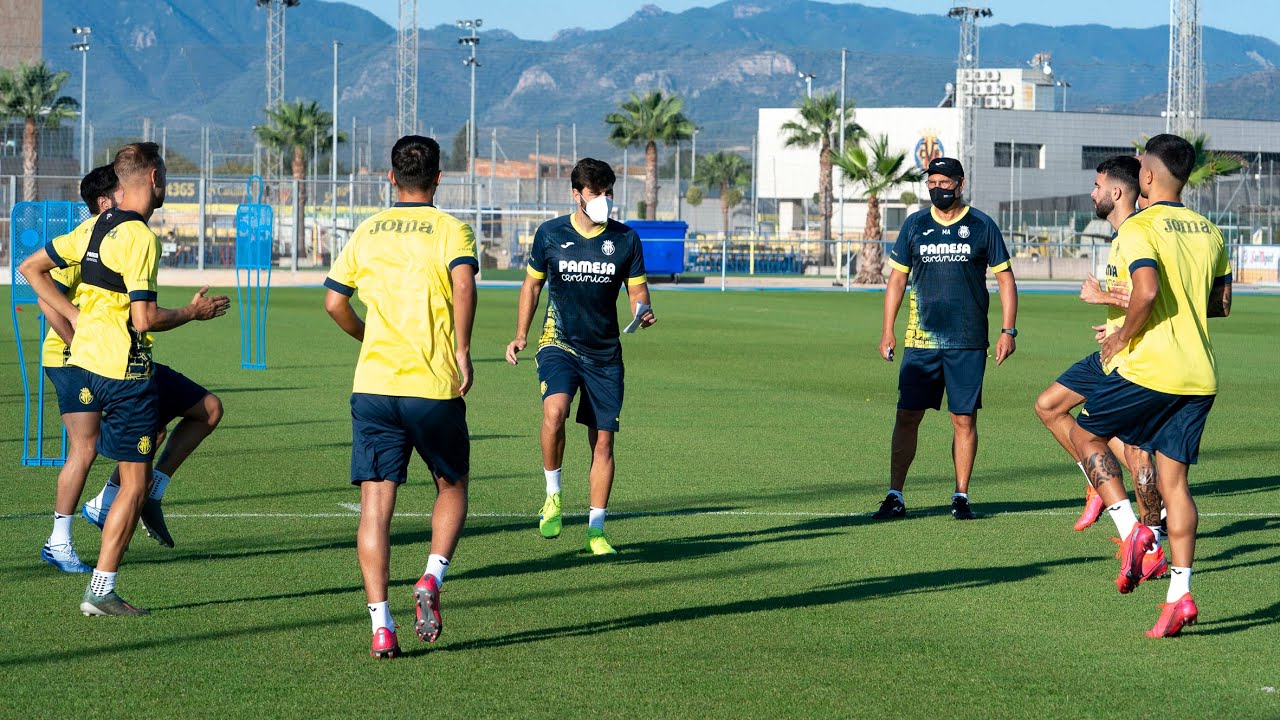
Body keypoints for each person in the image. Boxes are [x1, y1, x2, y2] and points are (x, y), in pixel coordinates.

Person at [21, 142, 227, 616]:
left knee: (201, 409)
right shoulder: (140, 238)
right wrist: (193, 312)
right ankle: (100, 588)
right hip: (125, 374)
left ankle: (114, 509)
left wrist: (76, 317)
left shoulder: (95, 225)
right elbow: (144, 319)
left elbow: (31, 267)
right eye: (167, 175)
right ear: (153, 179)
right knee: (134, 484)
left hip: (85, 366)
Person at [1069, 133, 1232, 637]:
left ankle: (1131, 528)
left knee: (1083, 431)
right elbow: (1220, 305)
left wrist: (1120, 335)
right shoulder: (1210, 230)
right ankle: (1180, 595)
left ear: (1147, 175)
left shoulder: (1140, 226)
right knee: (1175, 484)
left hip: (1152, 371)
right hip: (1199, 375)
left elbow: (1147, 290)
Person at [324, 135, 478, 659]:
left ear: (391, 178)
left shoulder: (367, 230)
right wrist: (462, 350)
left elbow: (332, 302)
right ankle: (431, 578)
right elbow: (464, 285)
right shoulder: (451, 228)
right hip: (431, 386)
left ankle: (381, 626)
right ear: (439, 178)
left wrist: (366, 336)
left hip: (373, 387)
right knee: (451, 485)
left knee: (374, 510)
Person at [504, 158, 655, 555]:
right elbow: (532, 287)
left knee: (603, 442)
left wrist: (643, 311)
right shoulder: (550, 234)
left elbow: (638, 292)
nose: (604, 200)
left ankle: (596, 530)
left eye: (609, 193)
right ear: (576, 194)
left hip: (605, 353)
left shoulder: (626, 240)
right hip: (560, 341)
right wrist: (521, 334)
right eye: (596, 193)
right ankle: (553, 495)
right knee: (554, 413)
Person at [1032, 156, 1167, 577]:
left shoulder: (1139, 232)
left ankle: (1150, 539)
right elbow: (1135, 296)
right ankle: (1102, 490)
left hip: (1138, 359)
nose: (1092, 192)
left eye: (1097, 185)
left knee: (1136, 448)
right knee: (1049, 406)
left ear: (1117, 191)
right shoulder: (1122, 235)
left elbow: (1156, 298)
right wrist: (1112, 320)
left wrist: (1105, 299)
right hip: (1112, 351)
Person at [875, 157, 1017, 520]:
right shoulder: (915, 225)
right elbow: (896, 280)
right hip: (920, 341)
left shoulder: (982, 225)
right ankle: (895, 495)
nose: (937, 188)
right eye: (932, 183)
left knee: (964, 419)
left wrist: (1007, 330)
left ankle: (961, 495)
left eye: (944, 182)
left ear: (960, 183)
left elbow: (1005, 280)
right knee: (907, 416)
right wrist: (887, 329)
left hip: (968, 341)